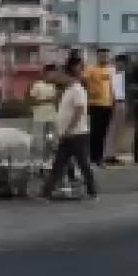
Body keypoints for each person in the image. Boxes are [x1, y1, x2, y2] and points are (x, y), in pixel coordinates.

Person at [40, 56, 97, 200]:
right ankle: (46, 193)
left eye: (61, 77)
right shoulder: (68, 90)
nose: (59, 80)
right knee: (58, 165)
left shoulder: (78, 90)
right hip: (66, 135)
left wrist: (70, 129)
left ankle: (93, 192)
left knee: (83, 164)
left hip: (77, 134)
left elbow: (79, 111)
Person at [83, 49, 114, 166]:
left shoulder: (110, 70)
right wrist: (89, 94)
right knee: (96, 132)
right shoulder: (91, 69)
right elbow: (84, 82)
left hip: (108, 104)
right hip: (95, 104)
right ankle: (93, 157)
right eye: (102, 56)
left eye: (106, 56)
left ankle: (99, 156)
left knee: (104, 132)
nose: (104, 58)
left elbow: (112, 86)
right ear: (98, 57)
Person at [28, 64, 60, 162]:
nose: (54, 75)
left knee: (51, 140)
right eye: (52, 73)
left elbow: (57, 101)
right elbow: (32, 100)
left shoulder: (55, 86)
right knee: (38, 140)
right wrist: (48, 100)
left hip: (52, 117)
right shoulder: (37, 85)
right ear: (46, 73)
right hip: (40, 118)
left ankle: (49, 159)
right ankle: (36, 160)